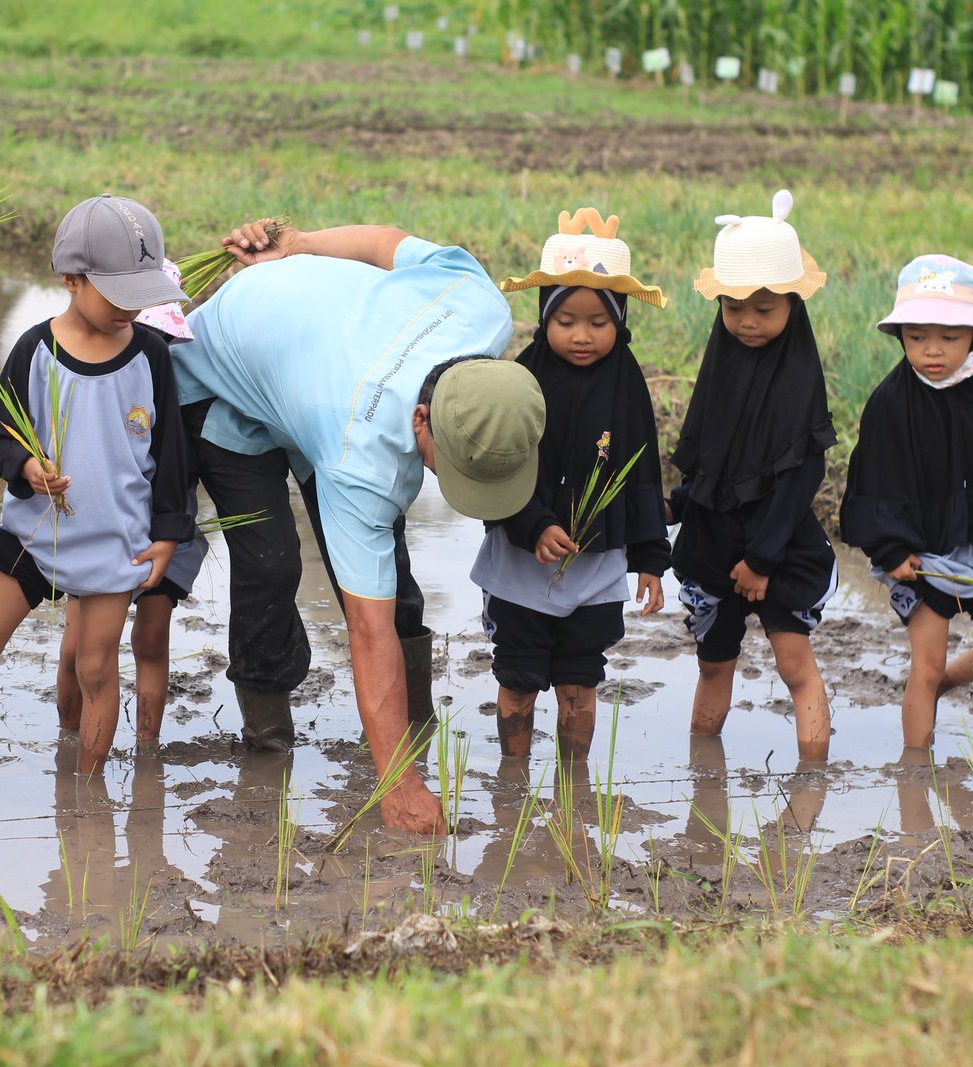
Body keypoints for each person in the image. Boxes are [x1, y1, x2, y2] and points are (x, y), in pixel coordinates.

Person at [174, 220, 545, 833]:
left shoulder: (479, 305)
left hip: (314, 365)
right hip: (225, 379)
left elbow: (382, 243)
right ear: (420, 420)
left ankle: (415, 726)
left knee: (389, 571)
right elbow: (366, 630)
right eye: (453, 467)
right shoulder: (360, 454)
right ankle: (268, 742)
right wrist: (398, 787)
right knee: (271, 563)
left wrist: (298, 244)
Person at [0, 195, 194, 774]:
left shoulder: (151, 356)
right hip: (36, 536)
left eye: (142, 294)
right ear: (71, 279)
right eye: (118, 294)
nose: (131, 308)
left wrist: (168, 536)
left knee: (96, 669)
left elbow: (170, 456)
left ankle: (87, 795)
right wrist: (27, 467)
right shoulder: (35, 350)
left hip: (113, 541)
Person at [477, 208, 671, 761]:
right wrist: (533, 524)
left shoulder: (627, 384)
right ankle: (512, 782)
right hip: (523, 562)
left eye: (598, 323)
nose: (582, 336)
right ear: (544, 317)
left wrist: (651, 558)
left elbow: (642, 471)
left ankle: (574, 787)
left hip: (596, 563)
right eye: (566, 321)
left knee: (580, 681)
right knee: (518, 676)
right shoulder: (521, 378)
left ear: (621, 321)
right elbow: (499, 466)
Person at [839, 254, 973, 751]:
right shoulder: (889, 403)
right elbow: (872, 482)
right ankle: (914, 773)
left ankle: (942, 684)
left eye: (949, 337)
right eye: (917, 337)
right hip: (920, 554)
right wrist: (889, 552)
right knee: (923, 667)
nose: (932, 350)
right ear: (900, 335)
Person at [667, 190, 836, 763]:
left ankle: (813, 777)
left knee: (794, 664)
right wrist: (681, 502)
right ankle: (702, 773)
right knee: (714, 663)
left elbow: (800, 475)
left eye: (764, 309)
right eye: (733, 307)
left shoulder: (798, 380)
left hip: (778, 546)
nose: (746, 321)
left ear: (793, 304)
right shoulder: (722, 363)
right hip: (715, 540)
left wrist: (762, 560)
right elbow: (716, 459)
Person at [56, 259, 208, 743]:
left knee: (150, 638)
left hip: (167, 526)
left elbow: (186, 462)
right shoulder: (81, 371)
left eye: (163, 336)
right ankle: (68, 741)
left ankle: (147, 747)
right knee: (76, 648)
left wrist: (171, 528)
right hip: (102, 525)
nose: (153, 343)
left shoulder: (177, 377)